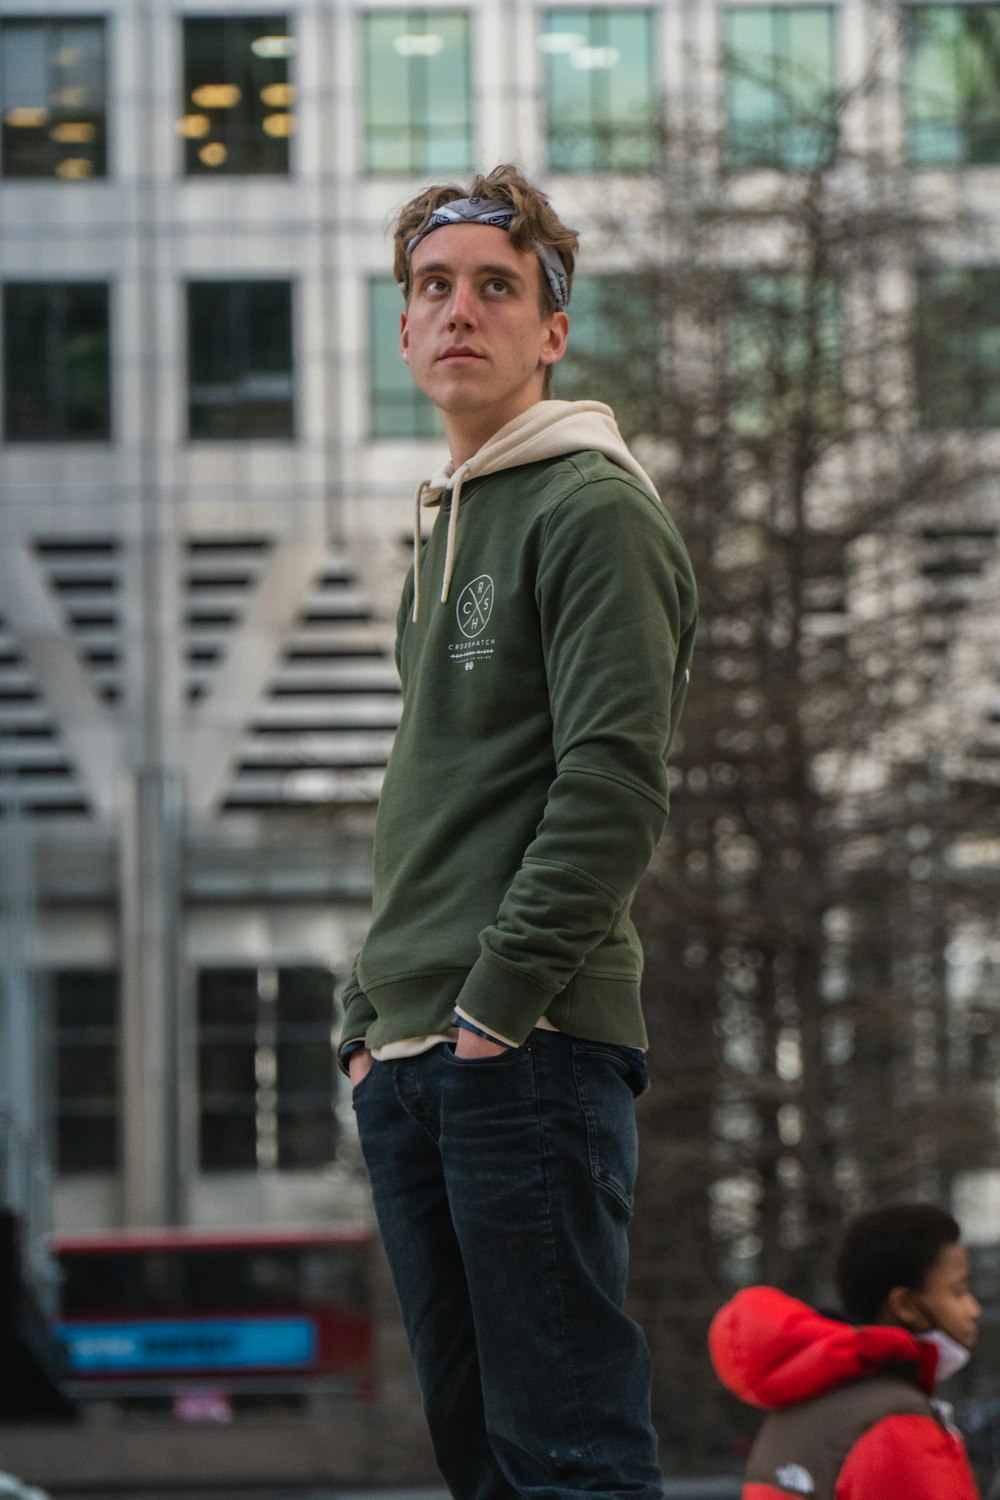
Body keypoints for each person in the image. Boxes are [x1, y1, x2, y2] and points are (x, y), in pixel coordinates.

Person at [338, 163, 698, 1500]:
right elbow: (434, 791)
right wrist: (363, 1018)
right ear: (402, 327)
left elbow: (611, 784)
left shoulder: (590, 508)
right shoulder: (446, 523)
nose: (459, 312)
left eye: (497, 287)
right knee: (480, 1464)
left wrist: (496, 1008)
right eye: (433, 288)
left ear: (553, 332)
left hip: (525, 1048)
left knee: (572, 1462)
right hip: (419, 1051)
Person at [709, 1202, 982, 1499]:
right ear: (904, 1305)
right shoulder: (896, 1424)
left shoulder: (799, 1407)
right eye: (959, 1291)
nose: (973, 1309)